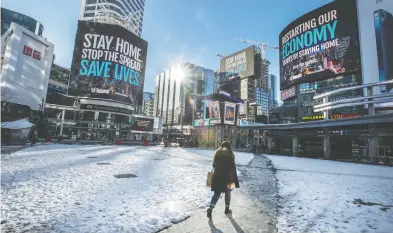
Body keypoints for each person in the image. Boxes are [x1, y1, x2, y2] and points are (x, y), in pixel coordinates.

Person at [207, 141, 239, 219]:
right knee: (228, 192)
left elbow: (214, 165)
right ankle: (227, 209)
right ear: (229, 147)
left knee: (217, 193)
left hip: (217, 177)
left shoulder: (217, 154)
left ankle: (210, 209)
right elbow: (233, 169)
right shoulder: (231, 155)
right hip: (228, 178)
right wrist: (236, 182)